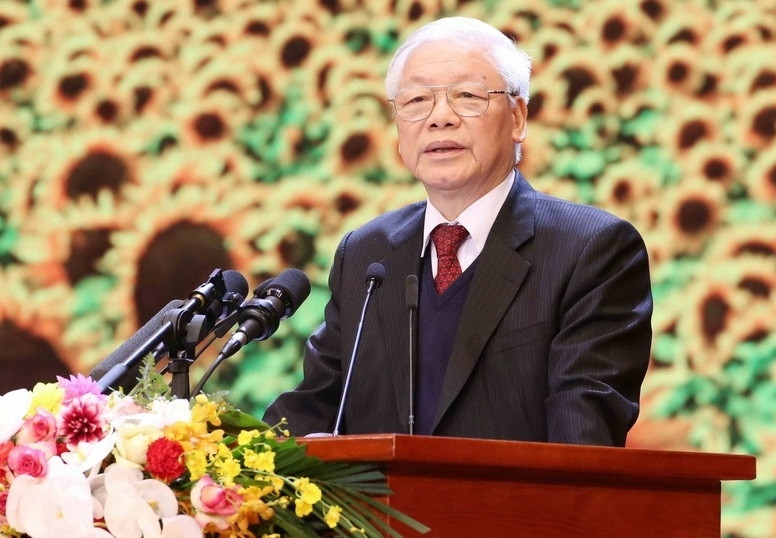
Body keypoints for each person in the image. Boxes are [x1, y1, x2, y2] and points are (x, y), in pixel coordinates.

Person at [264, 16, 652, 446]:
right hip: (376, 514)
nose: (439, 118)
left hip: (517, 513)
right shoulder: (367, 254)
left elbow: (583, 439)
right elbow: (312, 409)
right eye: (415, 102)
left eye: (467, 96)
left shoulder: (591, 250)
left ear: (518, 117)